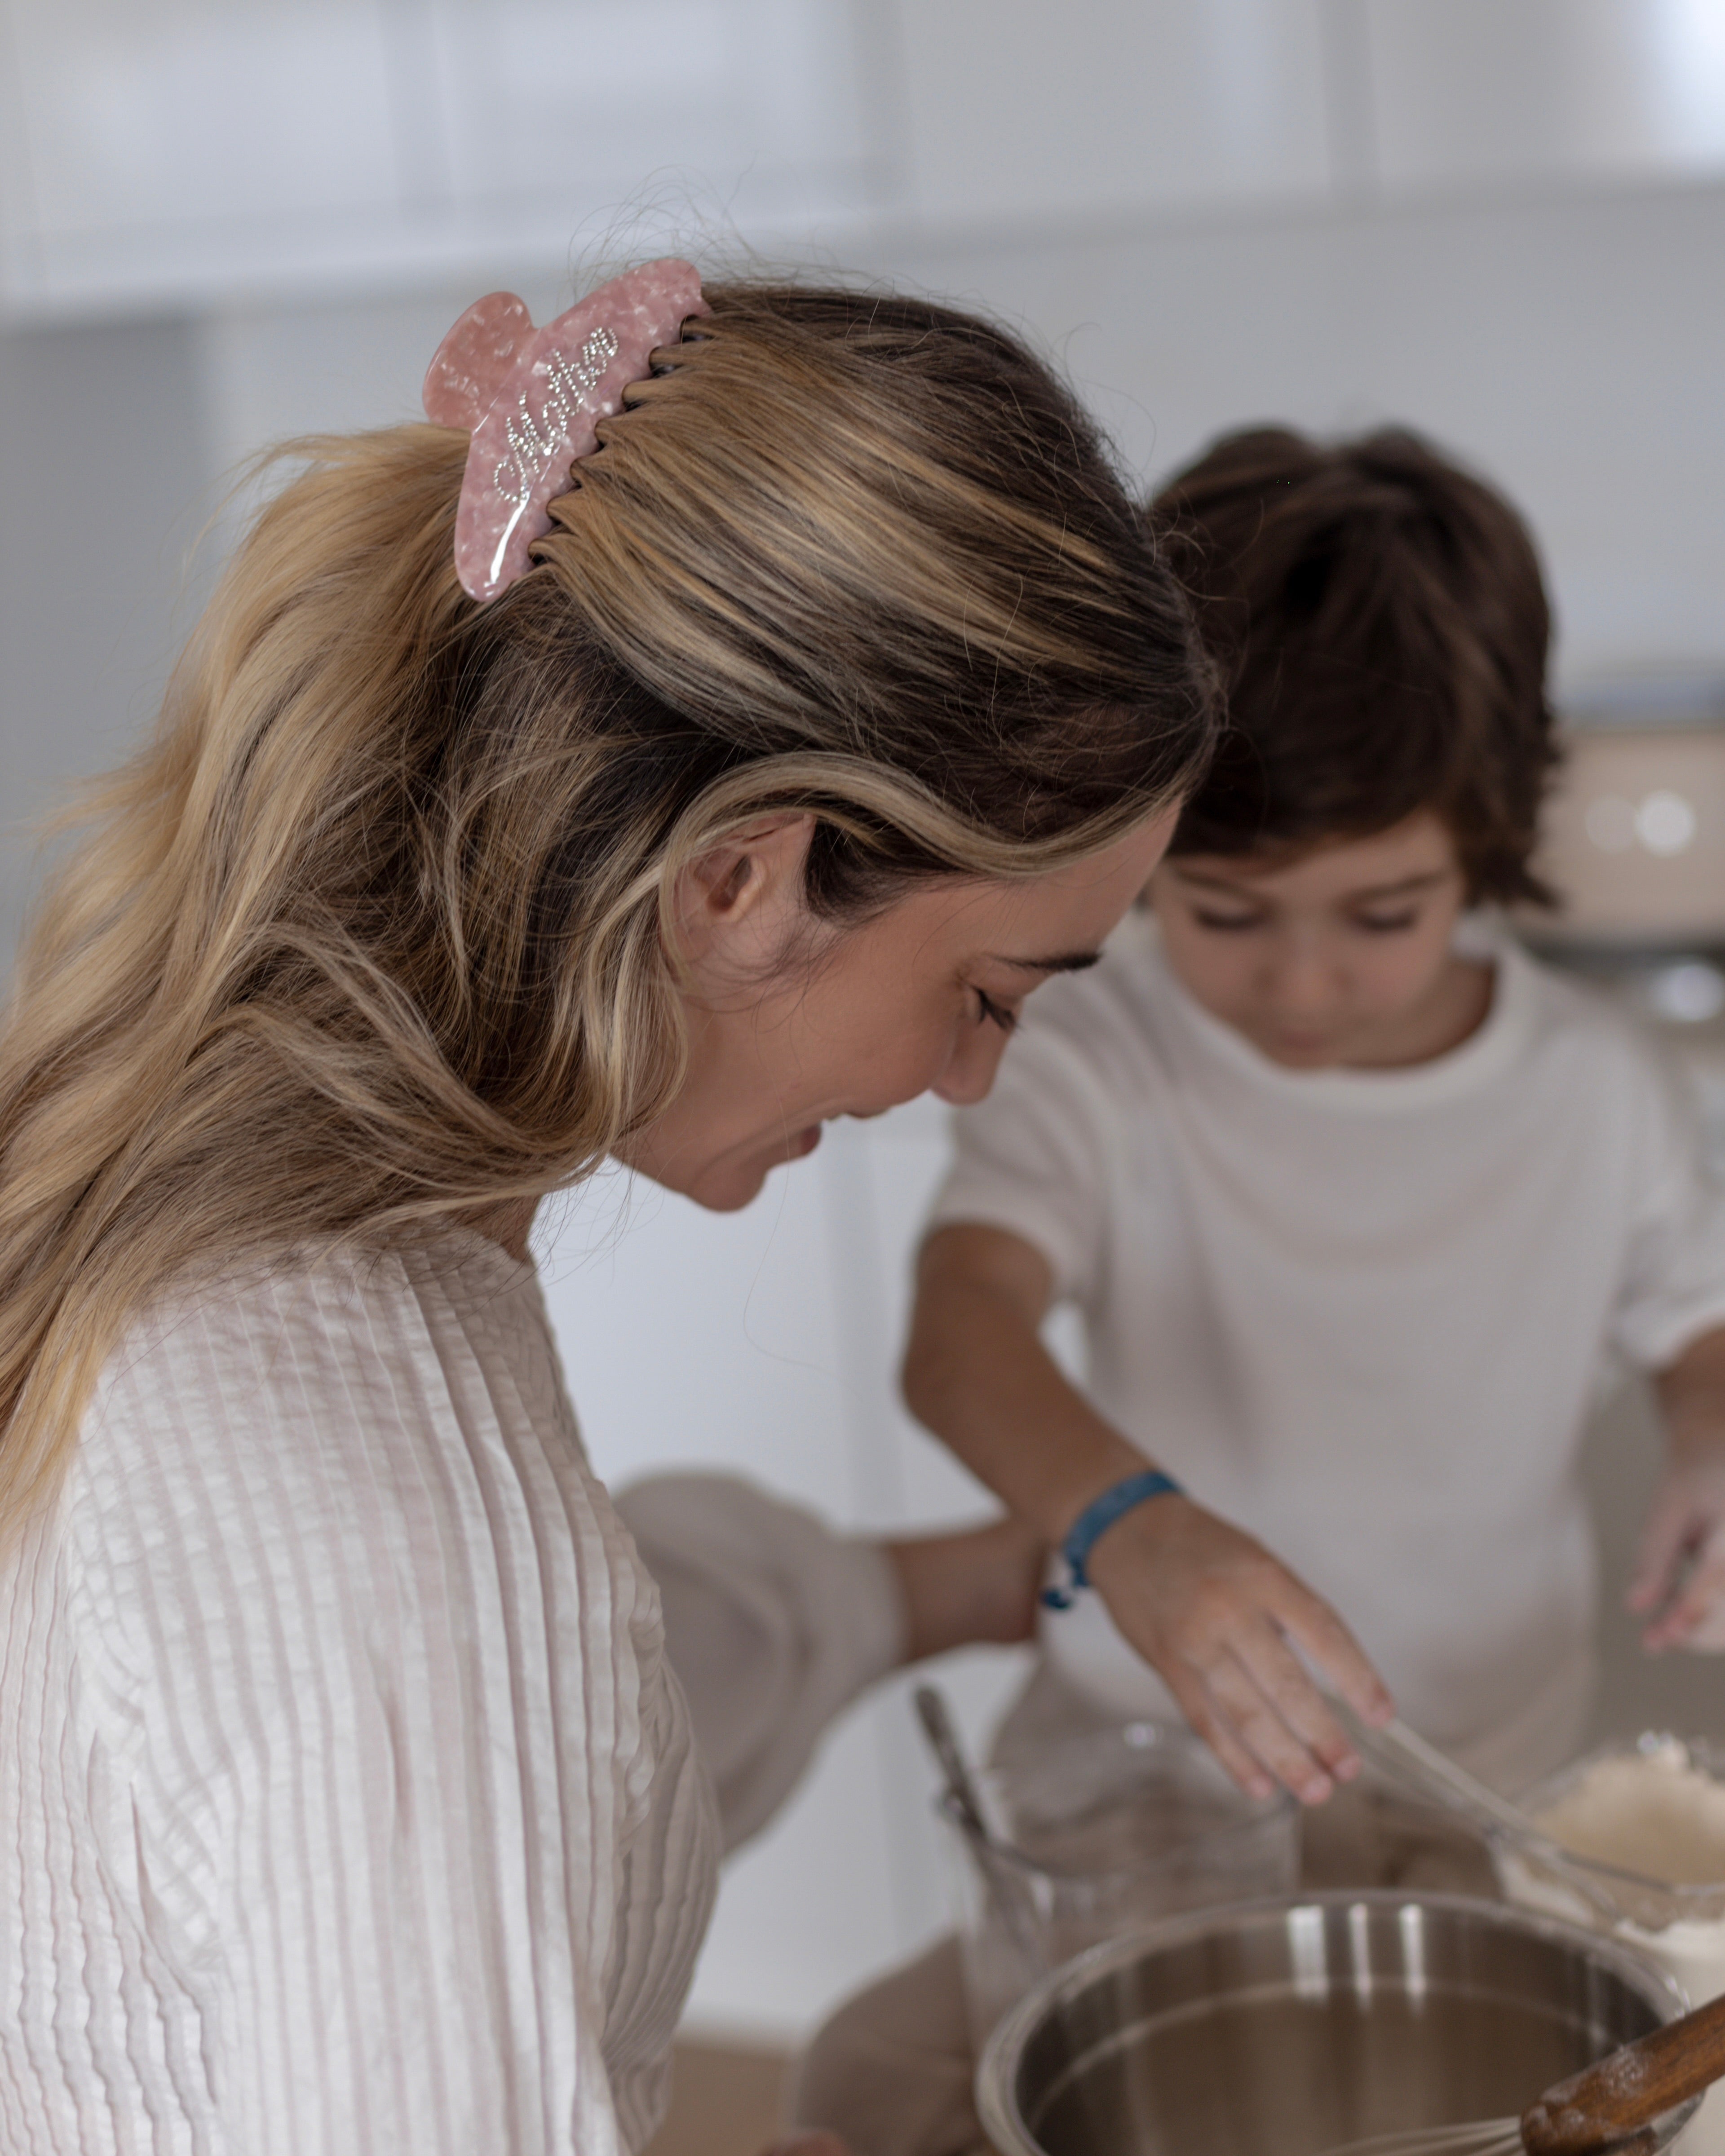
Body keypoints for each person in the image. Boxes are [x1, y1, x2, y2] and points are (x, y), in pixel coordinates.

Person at [0, 263, 1221, 2155]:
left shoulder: (254, 1245)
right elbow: (469, 1666)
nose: (973, 1085)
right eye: (988, 995)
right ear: (747, 879)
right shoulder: (392, 1486)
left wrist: (999, 1580)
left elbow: (498, 1762)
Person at [791, 426, 1725, 2156]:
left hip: (1490, 1812)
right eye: (1224, 911)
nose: (1304, 981)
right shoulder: (1101, 1053)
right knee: (875, 2093)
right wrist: (1130, 1526)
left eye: (1384, 913)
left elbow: (1697, 1334)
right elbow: (960, 1334)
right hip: (1146, 1797)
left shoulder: (1597, 1093)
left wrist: (1706, 1439)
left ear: (1496, 839)